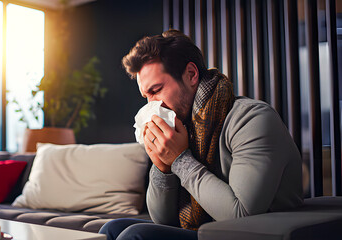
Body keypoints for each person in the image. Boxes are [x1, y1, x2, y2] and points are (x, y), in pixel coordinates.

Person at [99, 29, 303, 240]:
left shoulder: (252, 120)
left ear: (191, 75)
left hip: (249, 233)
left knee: (136, 235)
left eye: (156, 90)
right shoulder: (181, 127)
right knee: (112, 228)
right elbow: (163, 220)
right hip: (207, 230)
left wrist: (180, 160)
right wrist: (163, 168)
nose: (152, 105)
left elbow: (241, 216)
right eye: (146, 96)